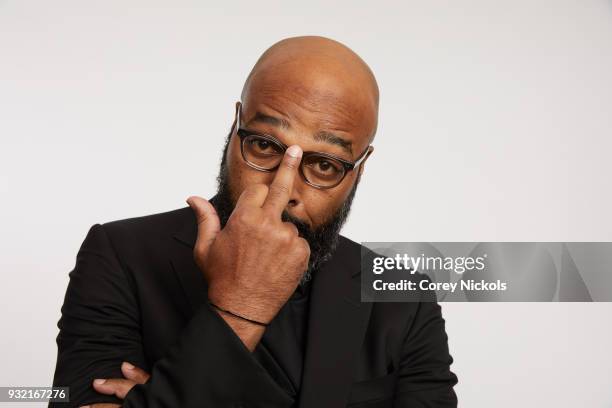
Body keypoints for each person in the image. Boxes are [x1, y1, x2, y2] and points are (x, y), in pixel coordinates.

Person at [50, 36, 458, 408]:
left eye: (324, 164)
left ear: (359, 170)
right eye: (264, 145)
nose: (286, 187)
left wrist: (163, 396)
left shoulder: (404, 297)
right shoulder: (120, 255)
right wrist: (238, 308)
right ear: (234, 128)